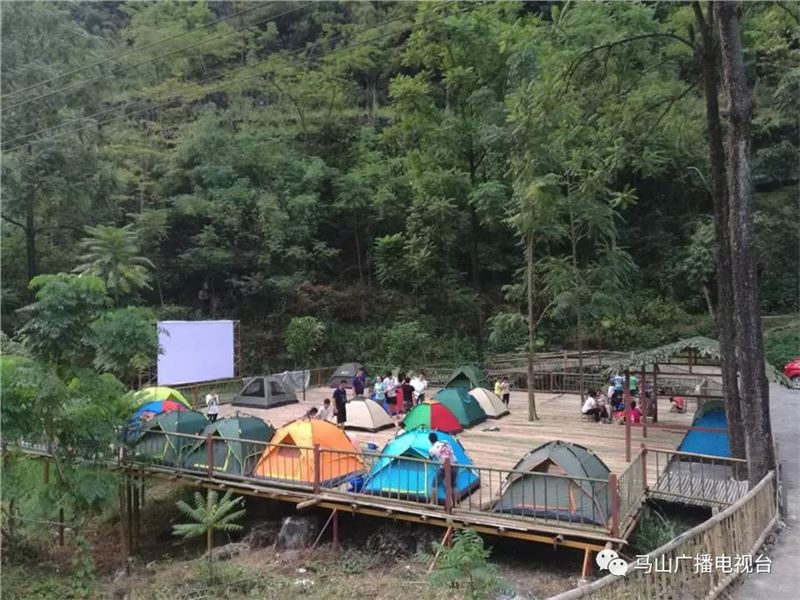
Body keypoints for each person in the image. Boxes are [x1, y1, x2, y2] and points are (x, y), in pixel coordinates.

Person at [428, 432, 457, 504]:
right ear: (437, 438)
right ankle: (455, 503)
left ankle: (432, 502)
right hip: (455, 464)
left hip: (445, 466)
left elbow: (430, 459)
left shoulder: (432, 449)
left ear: (430, 441)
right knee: (453, 484)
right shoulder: (446, 442)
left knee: (434, 483)